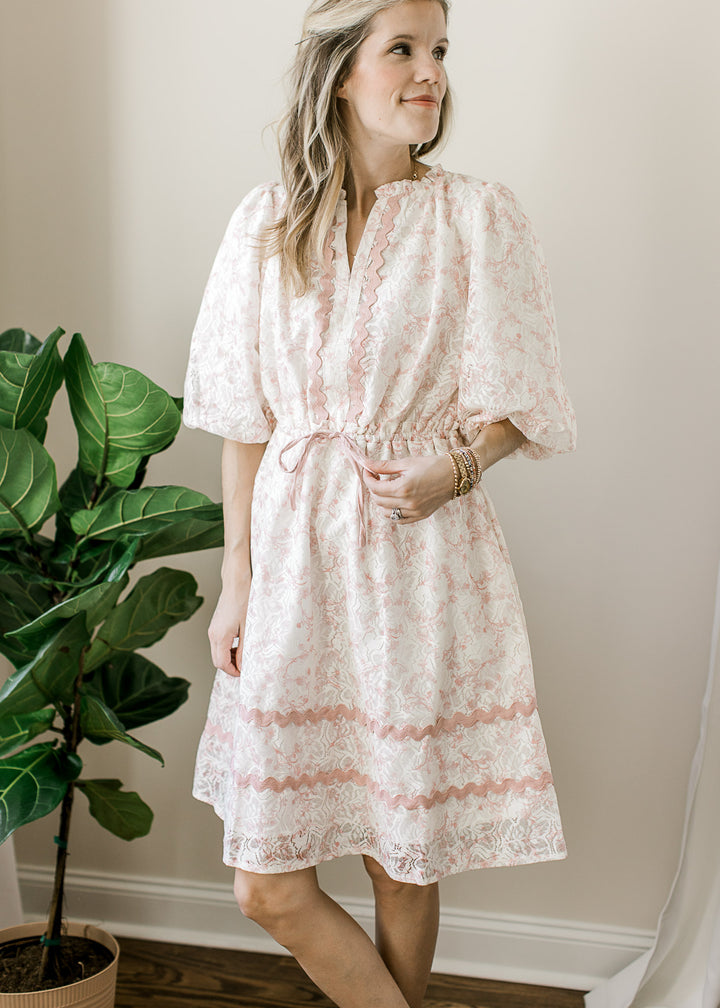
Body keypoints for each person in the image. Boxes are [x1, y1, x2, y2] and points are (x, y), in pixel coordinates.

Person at [183, 0, 576, 1005]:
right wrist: (237, 579)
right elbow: (243, 417)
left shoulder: (473, 217)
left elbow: (521, 400)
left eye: (439, 50)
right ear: (339, 71)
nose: (428, 72)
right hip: (293, 557)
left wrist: (461, 467)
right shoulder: (264, 222)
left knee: (402, 854)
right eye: (401, 49)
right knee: (265, 884)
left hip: (421, 557)